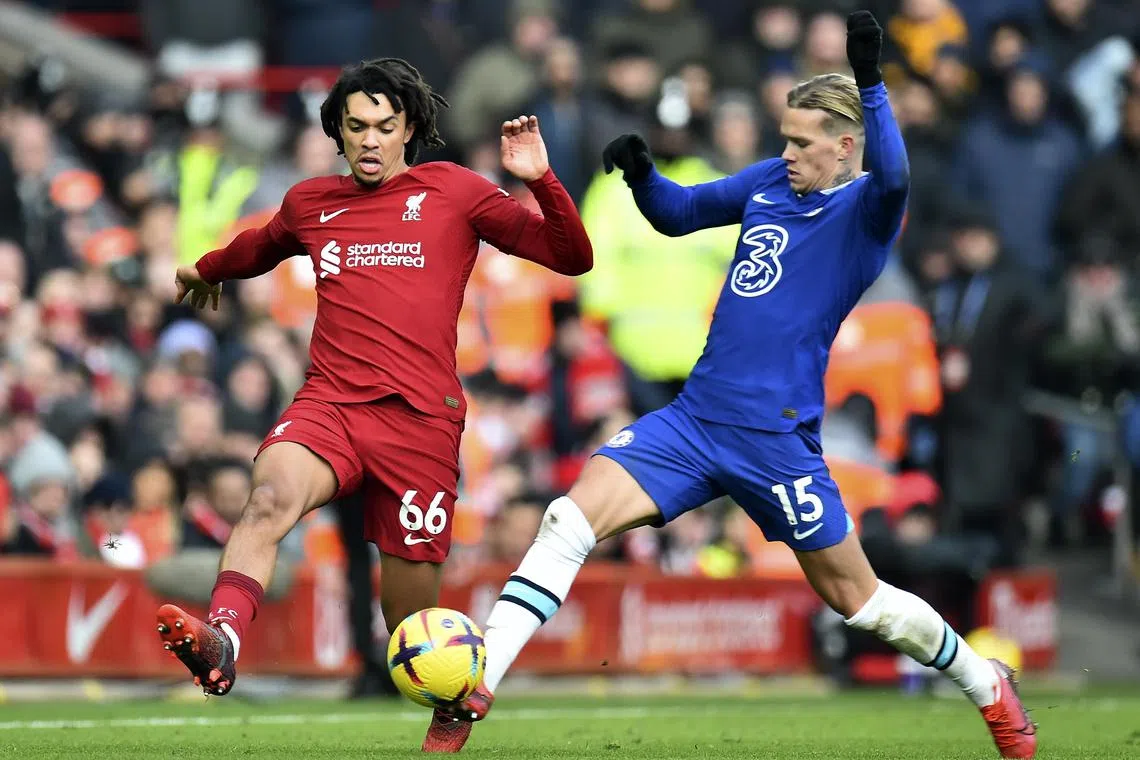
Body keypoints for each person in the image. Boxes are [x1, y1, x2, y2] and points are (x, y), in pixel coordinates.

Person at [439, 13, 1036, 760]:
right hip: (694, 421)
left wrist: (874, 83)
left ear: (846, 145)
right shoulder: (769, 186)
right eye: (781, 136)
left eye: (798, 141)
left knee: (862, 602)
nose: (782, 152)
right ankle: (472, 692)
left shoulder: (867, 210)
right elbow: (679, 215)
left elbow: (899, 173)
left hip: (774, 439)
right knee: (567, 519)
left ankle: (987, 685)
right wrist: (642, 173)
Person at [151, 57, 592, 751]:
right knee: (269, 498)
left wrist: (542, 179)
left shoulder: (455, 191)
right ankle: (223, 641)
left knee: (411, 631)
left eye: (385, 127)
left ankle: (450, 706)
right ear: (338, 131)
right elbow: (257, 248)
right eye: (356, 126)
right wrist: (202, 269)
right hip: (332, 404)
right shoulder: (310, 204)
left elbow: (571, 259)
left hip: (420, 423)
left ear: (408, 128)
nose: (370, 140)